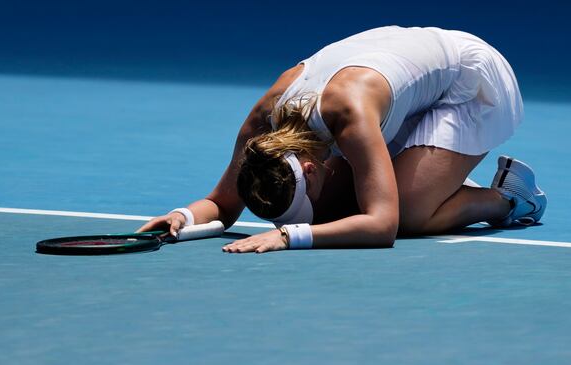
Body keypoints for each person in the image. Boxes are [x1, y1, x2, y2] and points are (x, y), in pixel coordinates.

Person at [138, 26, 546, 253]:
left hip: (468, 82)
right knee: (352, 201)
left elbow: (383, 226)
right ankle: (437, 179)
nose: (308, 213)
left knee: (408, 214)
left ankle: (509, 199)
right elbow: (224, 205)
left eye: (304, 203)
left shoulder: (350, 116)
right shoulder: (261, 130)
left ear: (311, 167)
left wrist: (289, 235)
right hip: (404, 81)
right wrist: (183, 217)